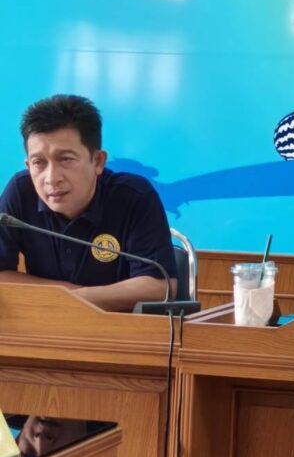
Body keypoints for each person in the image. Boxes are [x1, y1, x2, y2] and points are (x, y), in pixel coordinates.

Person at [0, 94, 178, 311]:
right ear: (28, 165)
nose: (51, 178)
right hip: (45, 323)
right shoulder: (20, 191)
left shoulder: (134, 196)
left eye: (65, 159)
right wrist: (67, 294)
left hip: (120, 327)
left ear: (98, 161)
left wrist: (72, 299)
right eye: (39, 163)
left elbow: (159, 287)